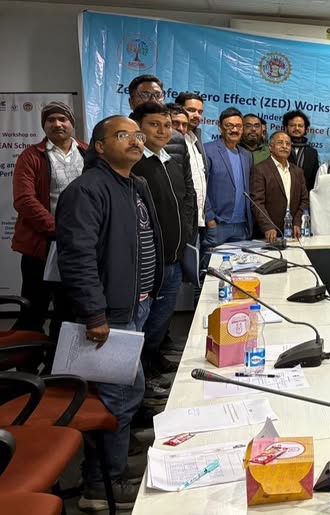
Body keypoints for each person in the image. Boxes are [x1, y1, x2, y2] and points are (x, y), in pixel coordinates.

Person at [56, 115, 163, 510]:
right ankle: (101, 486)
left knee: (128, 392)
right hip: (110, 315)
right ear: (99, 146)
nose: (135, 141)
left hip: (136, 305)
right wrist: (94, 313)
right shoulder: (87, 190)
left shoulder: (135, 184)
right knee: (117, 397)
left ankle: (112, 467)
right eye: (123, 135)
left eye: (138, 136)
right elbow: (77, 257)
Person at [130, 103, 196, 400]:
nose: (163, 131)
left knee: (159, 322)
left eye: (167, 125)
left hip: (174, 258)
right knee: (142, 324)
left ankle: (151, 365)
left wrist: (187, 235)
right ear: (138, 129)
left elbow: (185, 200)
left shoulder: (171, 160)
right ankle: (141, 381)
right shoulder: (135, 164)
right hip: (149, 263)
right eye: (154, 124)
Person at [11, 101, 86, 336]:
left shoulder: (88, 152)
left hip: (79, 245)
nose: (57, 124)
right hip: (41, 246)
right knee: (34, 308)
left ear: (72, 123)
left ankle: (57, 356)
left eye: (63, 119)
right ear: (44, 125)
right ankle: (26, 356)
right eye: (51, 120)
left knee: (69, 309)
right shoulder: (31, 156)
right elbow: (24, 200)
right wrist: (58, 229)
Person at [202, 107, 253, 267]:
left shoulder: (246, 155)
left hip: (242, 226)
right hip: (218, 225)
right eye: (229, 126)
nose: (234, 130)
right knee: (211, 271)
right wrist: (210, 220)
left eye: (238, 126)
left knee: (239, 270)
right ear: (220, 127)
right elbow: (201, 188)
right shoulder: (207, 150)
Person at [250, 131, 309, 242]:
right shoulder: (260, 170)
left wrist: (297, 222)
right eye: (280, 143)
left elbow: (304, 200)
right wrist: (267, 226)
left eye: (288, 144)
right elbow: (256, 202)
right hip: (268, 234)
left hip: (292, 233)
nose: (284, 146)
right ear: (270, 147)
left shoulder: (297, 171)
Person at [174, 92, 207, 289]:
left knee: (194, 275)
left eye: (200, 112)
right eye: (191, 110)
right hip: (179, 221)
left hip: (196, 219)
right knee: (176, 278)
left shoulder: (195, 140)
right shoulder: (173, 141)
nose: (196, 115)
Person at [127, 75, 189, 172]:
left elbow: (186, 178)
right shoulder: (118, 134)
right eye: (145, 95)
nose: (153, 100)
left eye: (158, 95)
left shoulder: (177, 138)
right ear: (131, 102)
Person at [282, 110, 320, 189]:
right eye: (292, 125)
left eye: (300, 126)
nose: (296, 128)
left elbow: (314, 181)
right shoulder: (279, 149)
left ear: (306, 130)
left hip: (304, 194)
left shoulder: (312, 153)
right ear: (285, 128)